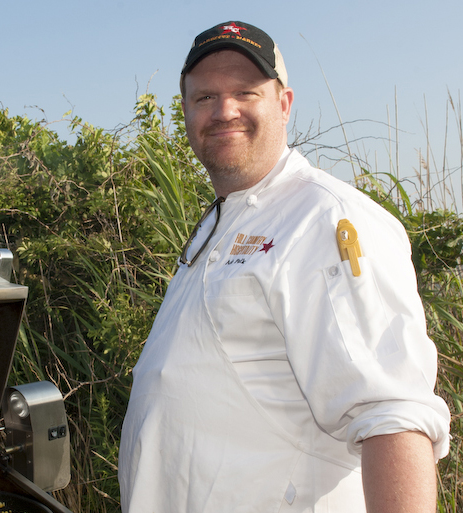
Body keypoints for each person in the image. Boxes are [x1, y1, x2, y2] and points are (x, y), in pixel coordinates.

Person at [118, 21, 451, 512]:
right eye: (205, 97)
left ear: (284, 104)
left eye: (245, 92)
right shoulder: (220, 220)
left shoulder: (325, 219)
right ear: (186, 111)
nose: (223, 110)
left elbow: (392, 416)